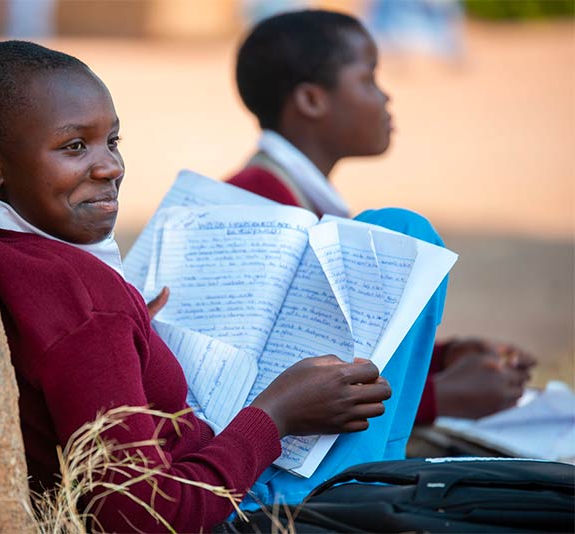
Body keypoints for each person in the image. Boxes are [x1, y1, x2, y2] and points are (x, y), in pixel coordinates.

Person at [0, 40, 394, 532]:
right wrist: (277, 414)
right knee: (401, 229)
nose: (110, 167)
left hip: (212, 460)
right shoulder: (83, 299)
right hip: (238, 504)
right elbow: (140, 517)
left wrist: (136, 330)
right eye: (74, 146)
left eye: (113, 142)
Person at [227, 9, 535, 430]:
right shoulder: (263, 203)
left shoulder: (293, 196)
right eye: (369, 79)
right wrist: (442, 397)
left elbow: (322, 345)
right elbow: (266, 377)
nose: (385, 97)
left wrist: (443, 358)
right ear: (312, 100)